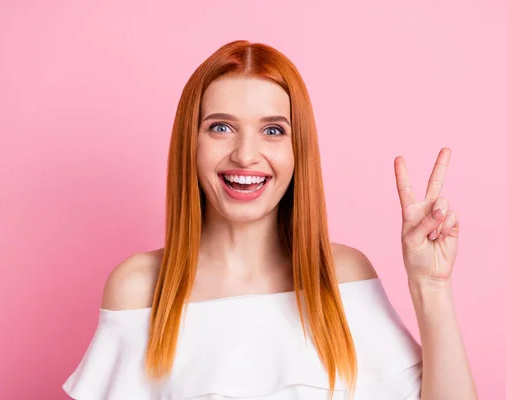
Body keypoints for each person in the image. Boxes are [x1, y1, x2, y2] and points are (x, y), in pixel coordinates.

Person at [62, 40, 478, 399]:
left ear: (300, 151)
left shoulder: (343, 276)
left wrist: (431, 286)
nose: (245, 155)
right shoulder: (139, 290)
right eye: (221, 127)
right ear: (191, 143)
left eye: (273, 131)